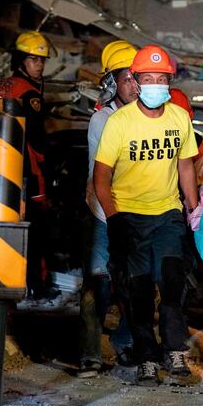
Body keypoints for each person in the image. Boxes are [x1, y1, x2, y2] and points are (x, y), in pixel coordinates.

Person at [93, 44, 200, 386]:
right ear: (136, 81)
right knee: (137, 291)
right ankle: (146, 357)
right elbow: (101, 176)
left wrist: (193, 208)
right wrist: (114, 219)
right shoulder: (119, 122)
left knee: (172, 282)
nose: (155, 84)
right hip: (129, 216)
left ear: (169, 81)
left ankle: (175, 351)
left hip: (167, 213)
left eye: (161, 78)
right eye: (148, 78)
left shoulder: (179, 118)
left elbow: (185, 165)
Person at [78, 41, 138, 378]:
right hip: (105, 213)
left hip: (139, 214)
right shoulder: (103, 120)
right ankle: (89, 353)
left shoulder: (149, 116)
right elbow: (102, 175)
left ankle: (125, 342)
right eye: (127, 79)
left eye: (137, 78)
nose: (134, 85)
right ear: (113, 82)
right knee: (97, 284)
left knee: (139, 284)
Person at [0, 31, 52, 299]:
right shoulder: (29, 93)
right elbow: (38, 139)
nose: (39, 65)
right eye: (33, 59)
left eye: (42, 60)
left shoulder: (5, 85)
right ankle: (36, 288)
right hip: (27, 170)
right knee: (36, 231)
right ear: (20, 60)